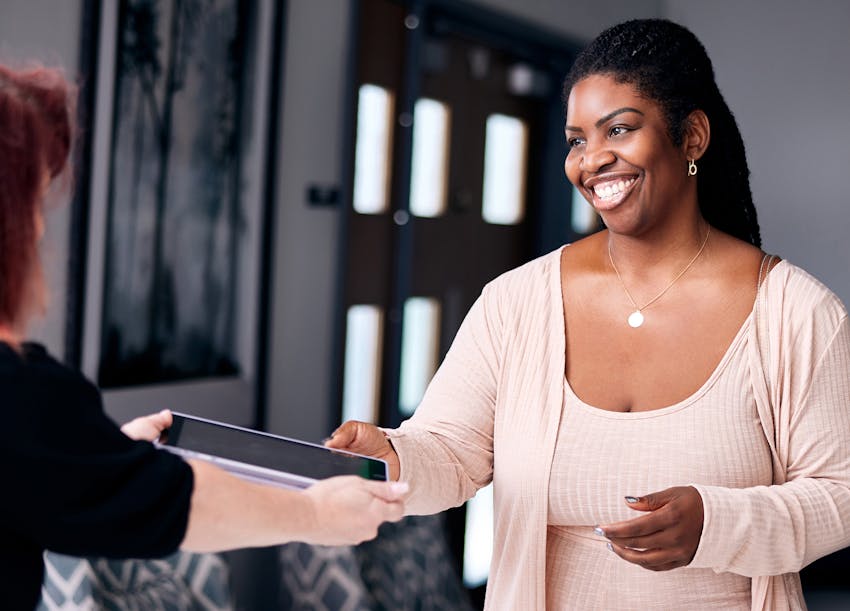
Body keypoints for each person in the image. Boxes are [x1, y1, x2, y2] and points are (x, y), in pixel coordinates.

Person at [327, 18, 850, 610]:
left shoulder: (796, 314)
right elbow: (453, 450)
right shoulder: (517, 302)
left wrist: (716, 522)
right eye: (577, 140)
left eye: (619, 130)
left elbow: (840, 495)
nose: (592, 160)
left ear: (693, 137)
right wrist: (394, 457)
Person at [0, 62, 407, 610]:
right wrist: (316, 514)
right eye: (35, 203)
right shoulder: (19, 392)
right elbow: (183, 505)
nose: (42, 229)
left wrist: (105, 458)